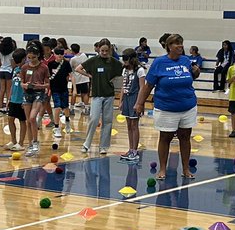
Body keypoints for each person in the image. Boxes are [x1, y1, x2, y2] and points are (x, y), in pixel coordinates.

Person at [135, 34, 201, 178]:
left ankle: (185, 169)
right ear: (169, 46)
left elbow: (190, 76)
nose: (180, 46)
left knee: (185, 137)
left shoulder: (185, 60)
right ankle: (163, 169)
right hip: (166, 108)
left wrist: (196, 73)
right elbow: (148, 86)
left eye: (181, 43)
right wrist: (140, 103)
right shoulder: (159, 63)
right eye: (176, 43)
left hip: (188, 106)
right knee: (165, 137)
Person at [79, 41, 122, 155]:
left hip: (109, 95)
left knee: (107, 121)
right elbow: (78, 68)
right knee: (94, 119)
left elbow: (122, 70)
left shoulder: (114, 62)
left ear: (110, 51)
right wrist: (89, 76)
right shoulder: (93, 60)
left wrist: (114, 80)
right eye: (102, 50)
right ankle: (86, 144)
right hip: (97, 95)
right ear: (98, 50)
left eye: (106, 51)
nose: (104, 53)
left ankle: (104, 146)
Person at [118, 48, 146, 162]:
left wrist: (140, 103)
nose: (124, 61)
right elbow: (123, 87)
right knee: (129, 125)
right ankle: (130, 149)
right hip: (127, 98)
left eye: (126, 59)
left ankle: (135, 150)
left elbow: (142, 88)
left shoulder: (140, 70)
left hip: (135, 98)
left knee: (135, 125)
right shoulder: (125, 70)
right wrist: (120, 101)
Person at [3, 48, 29, 152]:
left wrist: (25, 100)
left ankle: (21, 143)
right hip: (13, 99)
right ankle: (13, 141)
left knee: (22, 121)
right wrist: (9, 98)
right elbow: (13, 85)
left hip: (22, 100)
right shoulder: (15, 70)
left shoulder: (27, 70)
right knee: (10, 119)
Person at [48, 47, 73, 138]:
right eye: (58, 54)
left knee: (65, 107)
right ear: (54, 55)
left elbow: (71, 75)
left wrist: (74, 88)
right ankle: (57, 127)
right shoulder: (50, 64)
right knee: (57, 107)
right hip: (54, 89)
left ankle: (67, 121)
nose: (59, 56)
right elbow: (48, 77)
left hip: (64, 88)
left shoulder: (66, 64)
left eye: (61, 54)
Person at [0, 36, 17, 110]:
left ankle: (0, 106)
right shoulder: (12, 53)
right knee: (8, 90)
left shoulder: (0, 52)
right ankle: (7, 106)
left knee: (2, 89)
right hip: (9, 71)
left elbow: (0, 62)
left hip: (1, 70)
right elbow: (12, 65)